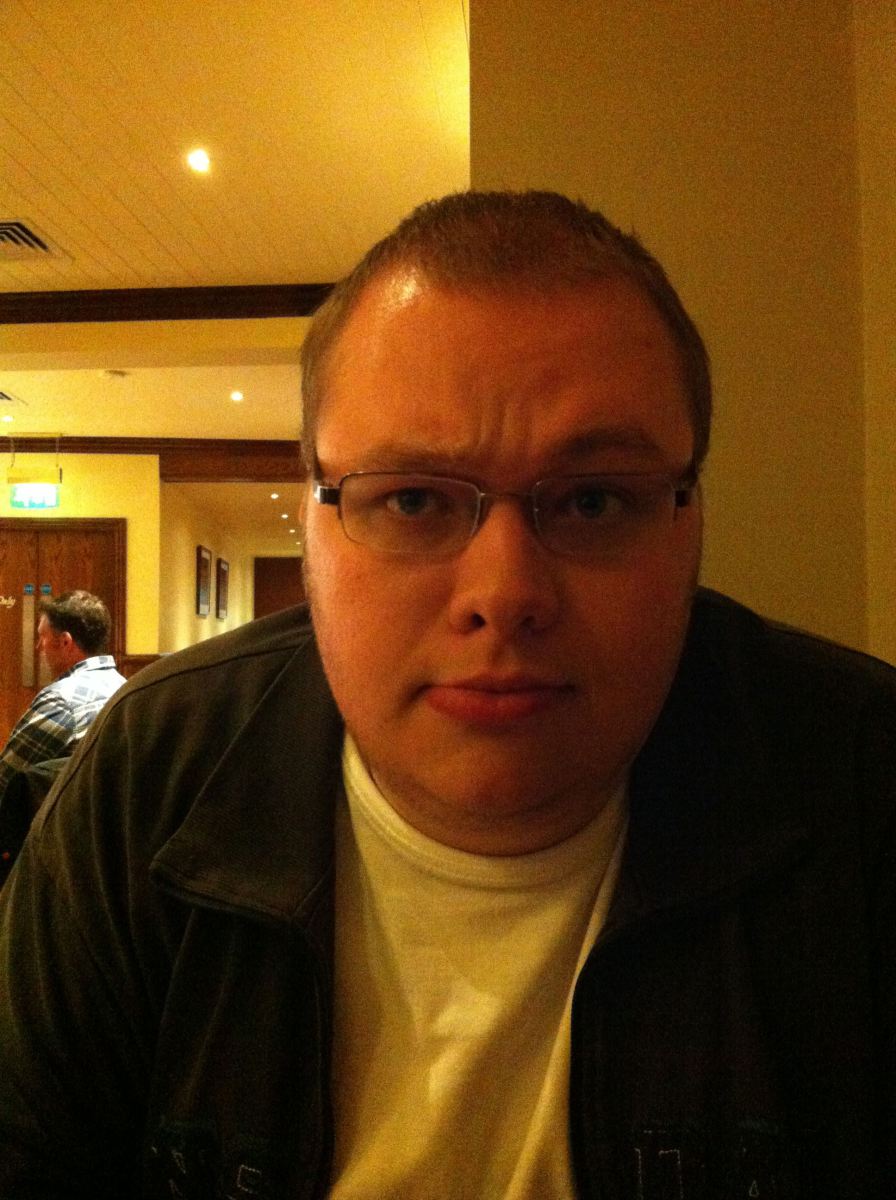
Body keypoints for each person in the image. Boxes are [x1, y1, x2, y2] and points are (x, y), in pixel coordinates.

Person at [0, 192, 893, 1199]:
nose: (504, 594)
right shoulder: (156, 776)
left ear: (689, 523)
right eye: (413, 499)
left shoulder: (864, 783)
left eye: (594, 499)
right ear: (313, 525)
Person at [0, 589, 127, 883]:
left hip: (57, 856)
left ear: (66, 642)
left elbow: (6, 779)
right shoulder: (125, 686)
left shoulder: (63, 700)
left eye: (42, 638)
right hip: (108, 849)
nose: (38, 648)